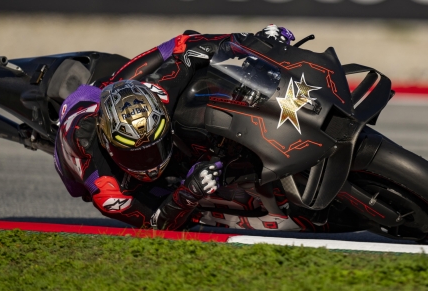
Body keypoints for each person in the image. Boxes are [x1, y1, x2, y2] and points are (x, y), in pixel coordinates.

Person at [54, 25, 297, 230]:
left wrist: (253, 42)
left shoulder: (162, 96)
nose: (150, 162)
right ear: (108, 144)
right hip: (82, 111)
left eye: (154, 148)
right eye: (136, 155)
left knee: (198, 62)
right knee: (170, 193)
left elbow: (182, 45)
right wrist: (188, 193)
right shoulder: (105, 185)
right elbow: (154, 223)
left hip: (116, 93)